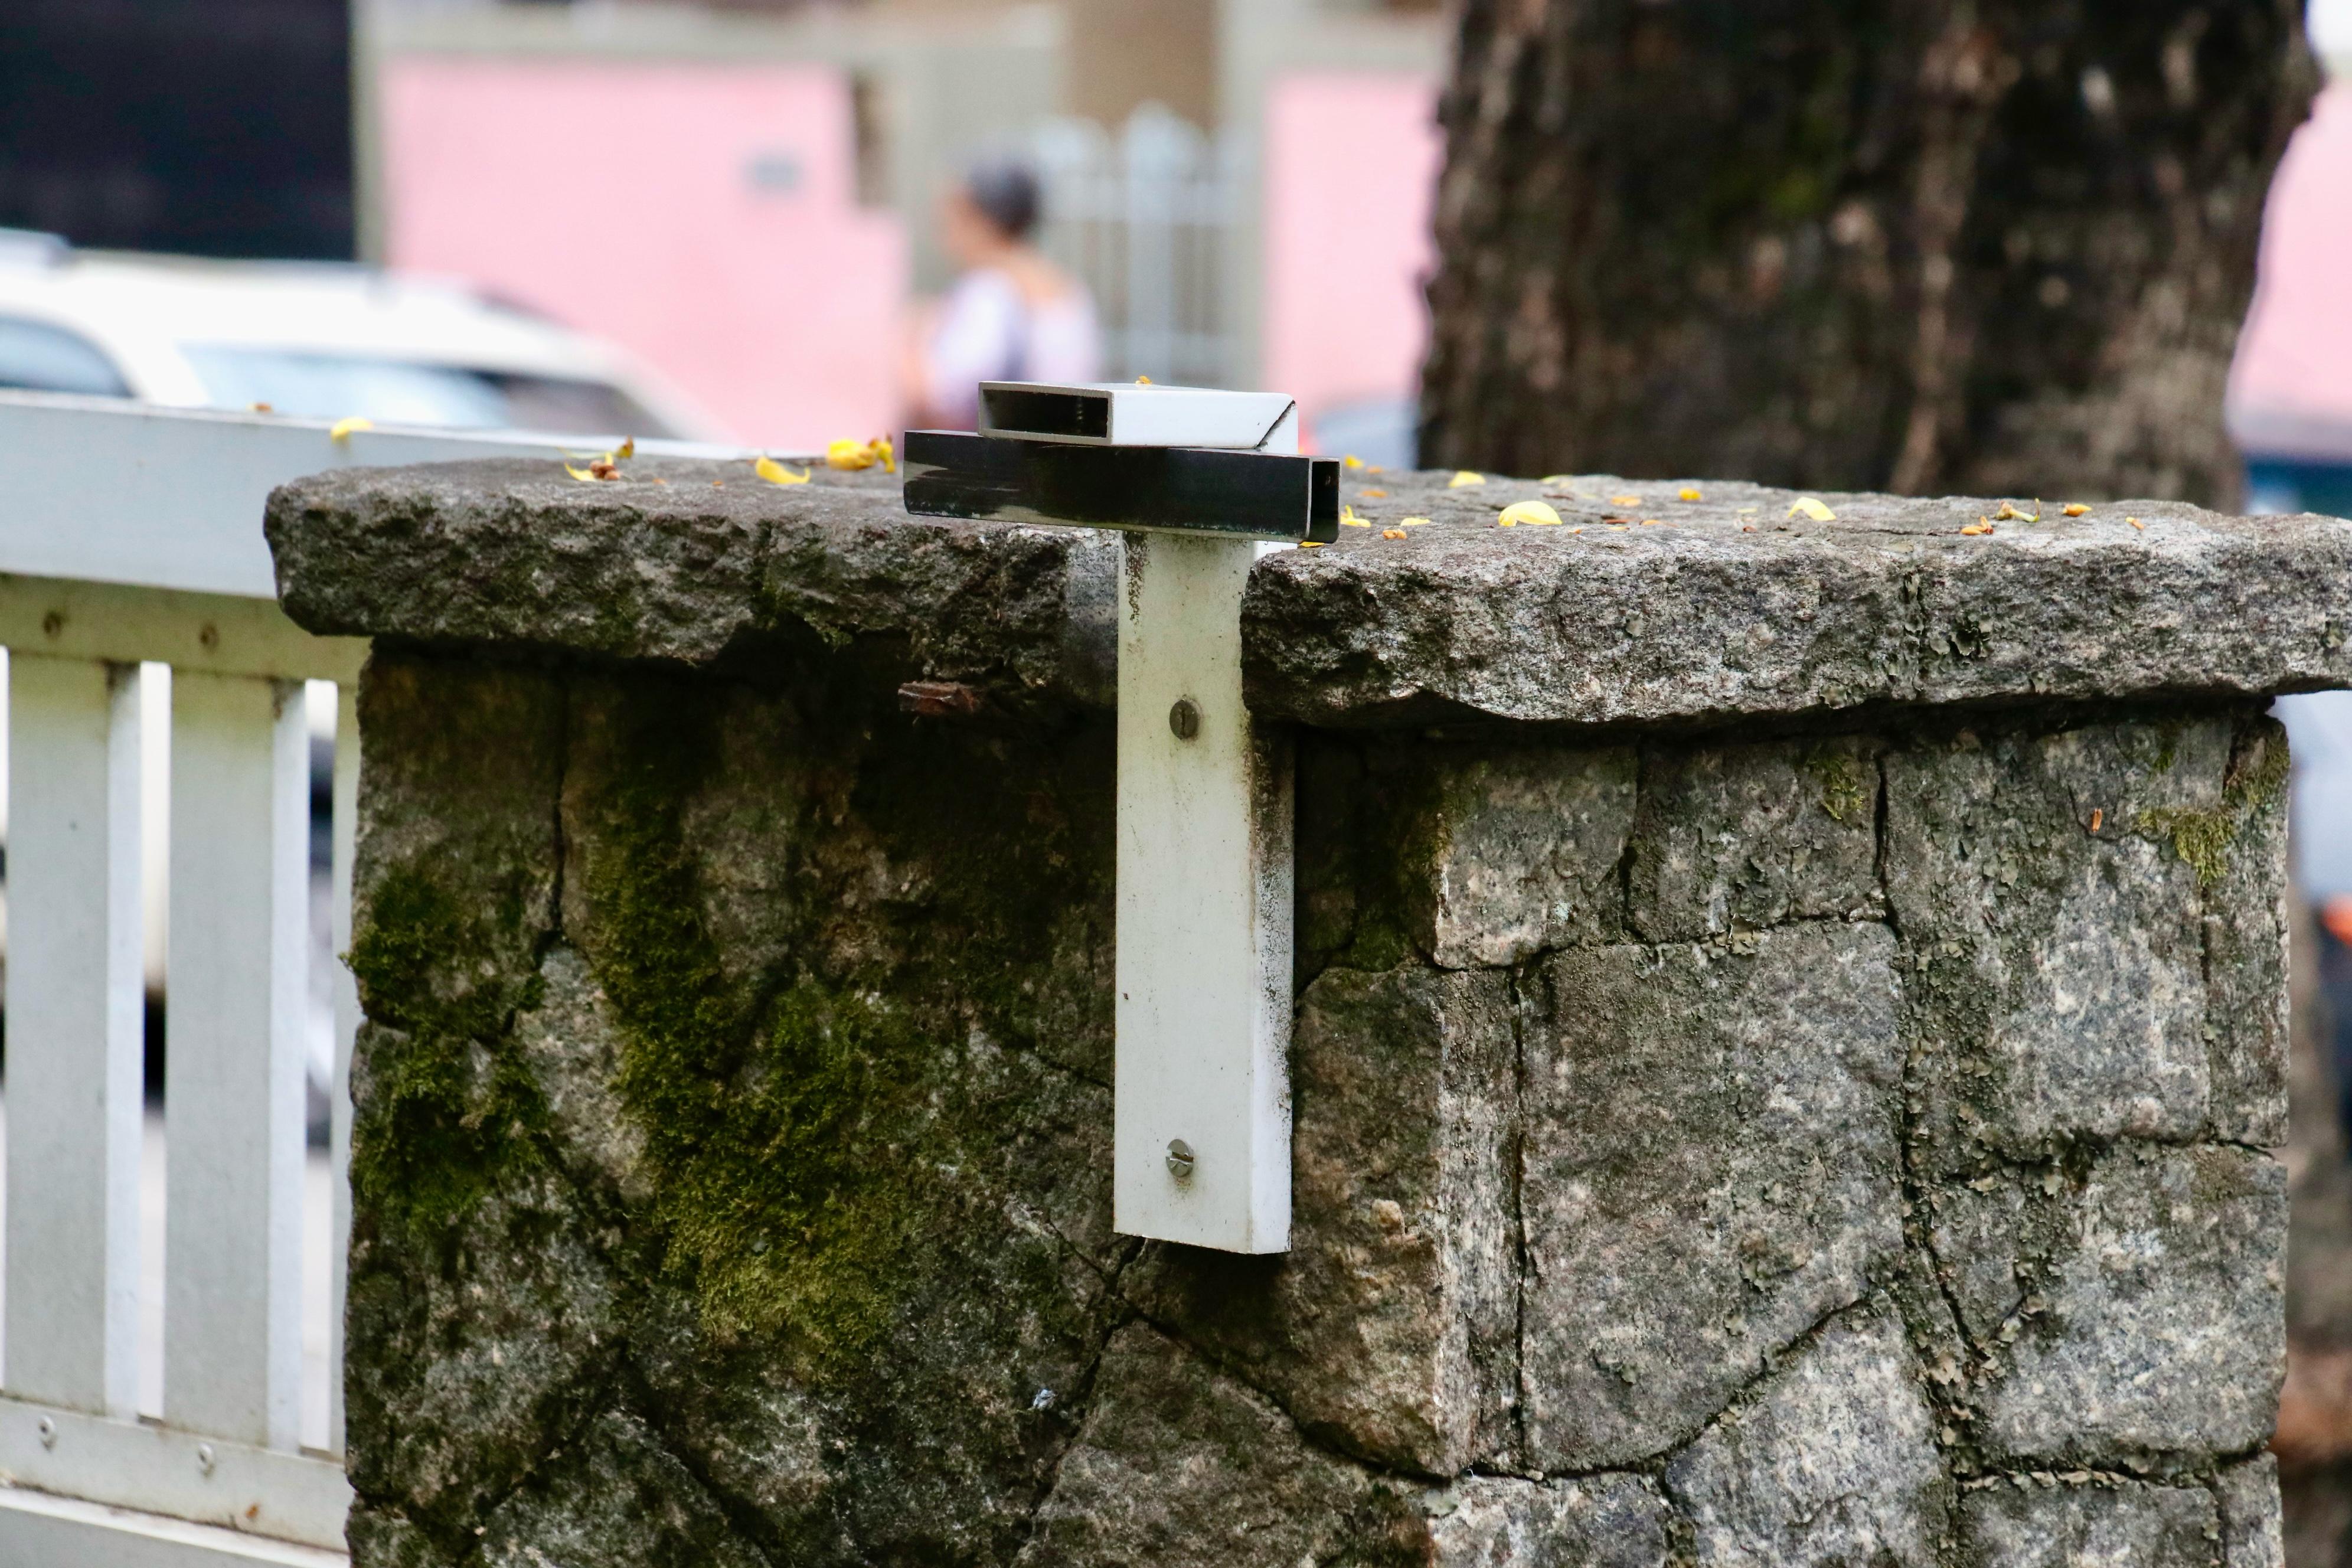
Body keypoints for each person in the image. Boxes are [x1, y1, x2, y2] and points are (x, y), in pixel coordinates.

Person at [904, 158, 1100, 429]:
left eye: (950, 219)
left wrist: (910, 340)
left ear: (979, 219)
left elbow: (937, 395)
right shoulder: (1068, 287)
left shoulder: (989, 292)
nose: (944, 237)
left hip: (1003, 460)